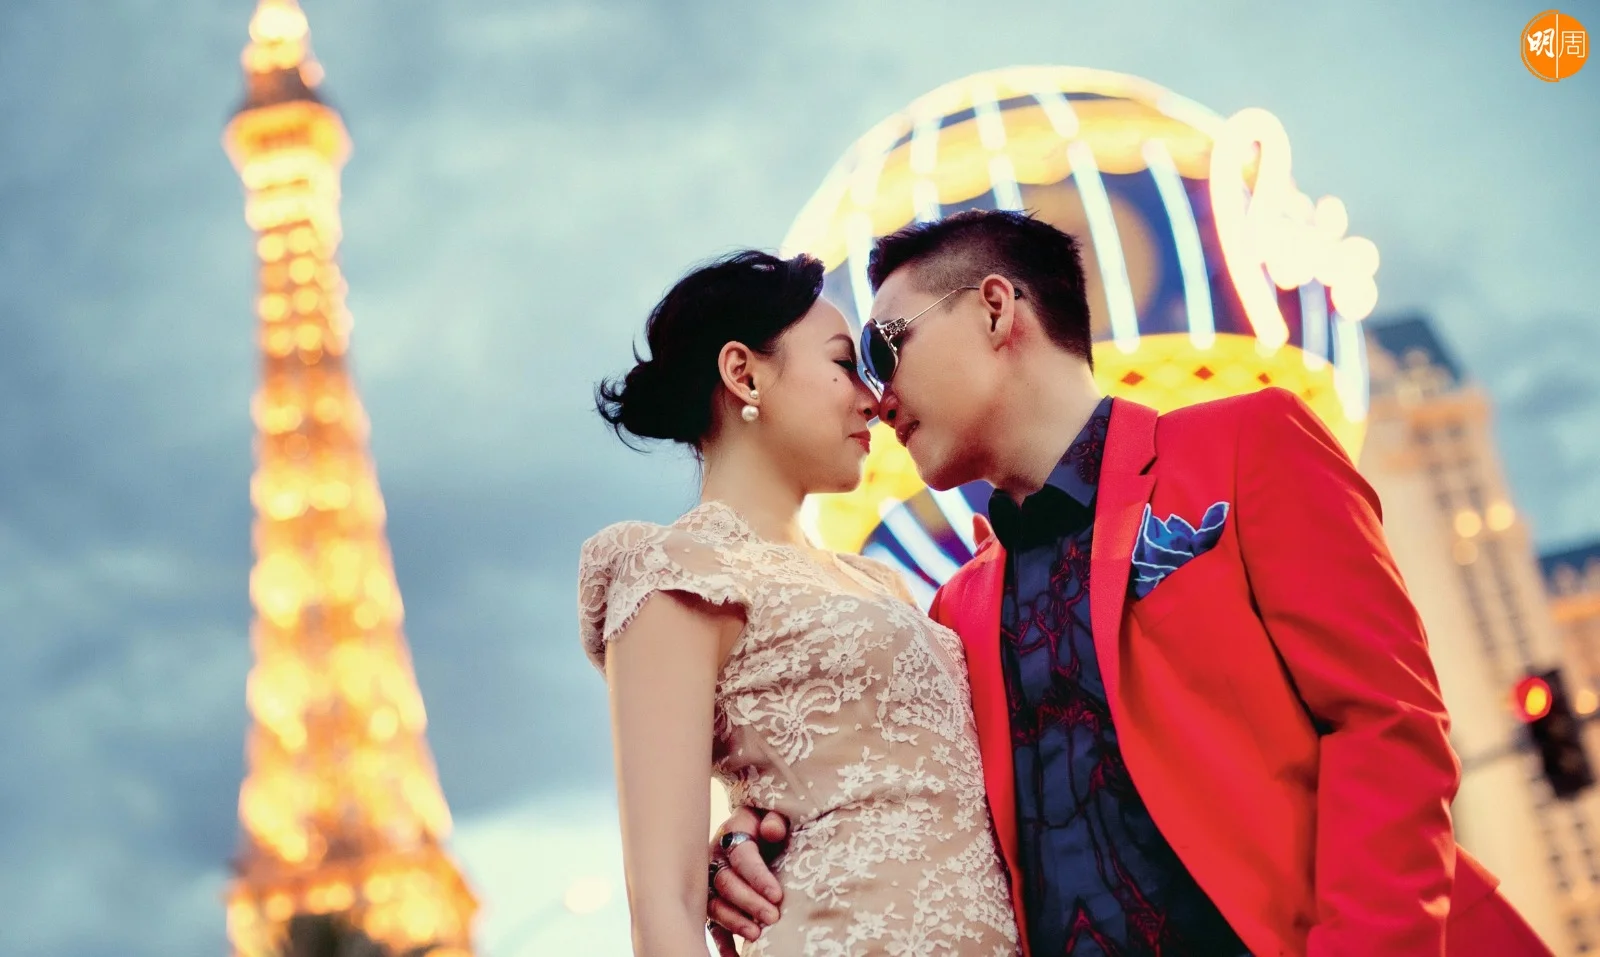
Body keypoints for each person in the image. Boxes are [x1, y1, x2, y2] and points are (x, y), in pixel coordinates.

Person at [709, 210, 1554, 957]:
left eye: (887, 347)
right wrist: (761, 832)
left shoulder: (1248, 446)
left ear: (996, 309)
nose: (877, 394)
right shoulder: (953, 612)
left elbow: (1387, 724)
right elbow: (910, 804)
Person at [576, 250, 1021, 956]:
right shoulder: (676, 570)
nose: (873, 399)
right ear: (744, 373)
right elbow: (665, 906)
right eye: (844, 364)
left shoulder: (881, 585)